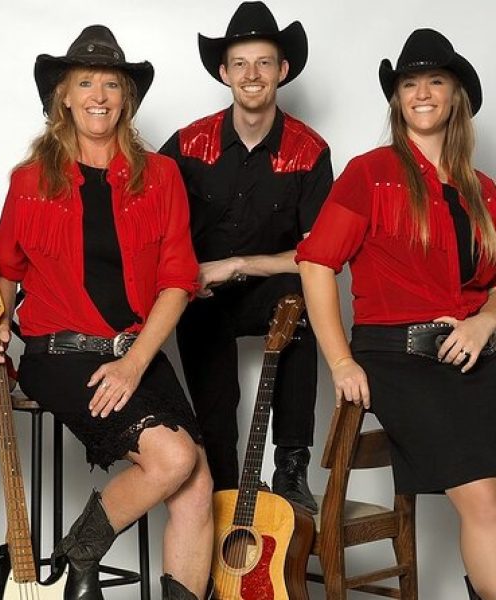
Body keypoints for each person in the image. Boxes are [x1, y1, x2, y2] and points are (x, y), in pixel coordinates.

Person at [0, 24, 213, 600]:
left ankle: (71, 561)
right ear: (63, 95)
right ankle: (73, 558)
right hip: (59, 353)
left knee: (198, 484)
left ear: (126, 98)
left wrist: (134, 363)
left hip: (133, 352)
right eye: (86, 82)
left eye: (112, 83)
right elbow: (3, 272)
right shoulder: (29, 183)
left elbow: (178, 281)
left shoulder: (160, 177)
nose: (99, 95)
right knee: (177, 457)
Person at [297, 29, 496, 600]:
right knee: (483, 497)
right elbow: (315, 264)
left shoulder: (482, 190)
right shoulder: (370, 173)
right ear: (397, 99)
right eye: (410, 84)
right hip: (401, 361)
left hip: (476, 353)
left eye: (435, 81)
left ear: (456, 95)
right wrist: (339, 360)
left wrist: (485, 321)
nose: (423, 93)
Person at [159, 1, 332, 512]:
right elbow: (147, 216)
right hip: (204, 293)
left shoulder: (310, 149)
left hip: (271, 285)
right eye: (240, 64)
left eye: (263, 63)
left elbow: (318, 255)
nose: (251, 75)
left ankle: (292, 467)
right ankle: (225, 492)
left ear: (282, 71)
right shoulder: (188, 144)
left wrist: (238, 264)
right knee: (211, 380)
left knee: (300, 299)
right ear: (223, 72)